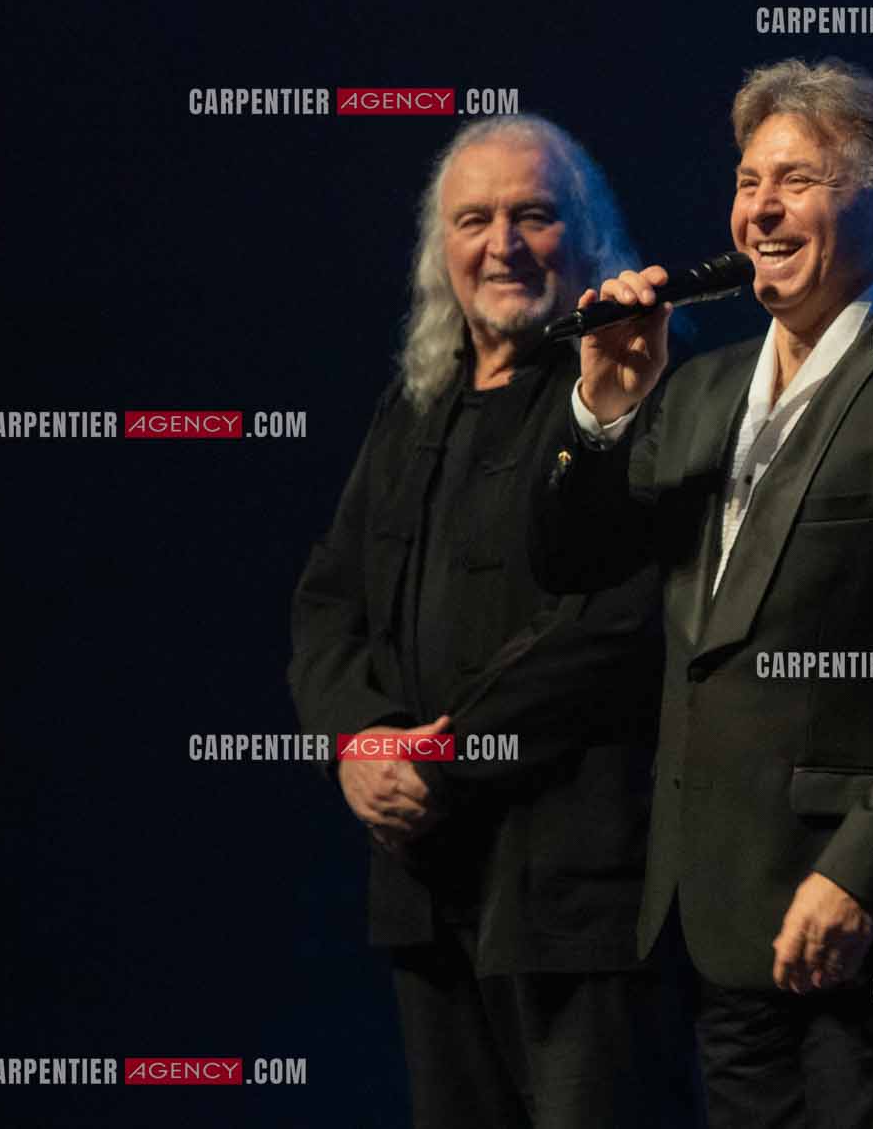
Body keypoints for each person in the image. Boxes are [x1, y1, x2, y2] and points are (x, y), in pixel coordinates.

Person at [529, 58, 873, 1129]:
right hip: (710, 905)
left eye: (796, 179)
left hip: (861, 915)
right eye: (749, 180)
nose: (759, 208)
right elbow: (572, 565)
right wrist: (603, 413)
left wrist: (859, 871)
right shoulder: (698, 386)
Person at [288, 115, 698, 1128]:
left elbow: (622, 619)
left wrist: (445, 756)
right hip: (429, 886)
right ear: (441, 249)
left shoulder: (641, 391)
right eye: (474, 219)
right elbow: (328, 602)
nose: (502, 245)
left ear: (591, 236)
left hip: (581, 892)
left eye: (535, 215)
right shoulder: (412, 404)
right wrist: (360, 742)